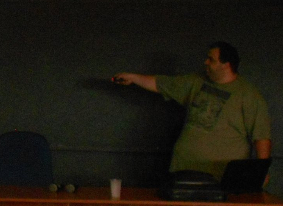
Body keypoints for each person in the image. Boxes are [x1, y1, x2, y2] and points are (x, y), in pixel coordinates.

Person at [113, 41, 271, 179]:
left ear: (226, 65)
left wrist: (261, 172)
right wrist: (133, 78)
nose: (205, 62)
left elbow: (261, 137)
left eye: (211, 59)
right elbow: (161, 84)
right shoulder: (196, 82)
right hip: (183, 169)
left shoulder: (249, 95)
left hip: (220, 176)